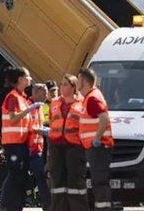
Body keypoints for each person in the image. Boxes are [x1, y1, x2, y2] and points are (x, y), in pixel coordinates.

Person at [0, 66, 40, 211]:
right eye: (27, 76)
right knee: (15, 175)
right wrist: (30, 109)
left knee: (21, 175)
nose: (30, 79)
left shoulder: (21, 98)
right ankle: (5, 207)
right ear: (21, 79)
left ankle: (16, 206)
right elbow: (13, 117)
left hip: (21, 143)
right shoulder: (13, 97)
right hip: (13, 143)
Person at [49, 74, 88, 211]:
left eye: (65, 84)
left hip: (75, 146)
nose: (62, 87)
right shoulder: (54, 102)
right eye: (61, 84)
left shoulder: (82, 103)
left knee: (75, 180)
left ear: (73, 87)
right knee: (57, 179)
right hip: (56, 145)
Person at [77, 68, 113, 211]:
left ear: (84, 81)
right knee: (99, 180)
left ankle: (103, 209)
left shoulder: (92, 98)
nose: (77, 82)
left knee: (99, 181)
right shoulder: (91, 96)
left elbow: (104, 118)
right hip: (97, 146)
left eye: (78, 79)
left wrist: (96, 139)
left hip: (98, 146)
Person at [27, 83, 50, 210]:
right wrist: (45, 131)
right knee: (16, 177)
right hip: (26, 149)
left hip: (37, 149)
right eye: (44, 93)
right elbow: (28, 127)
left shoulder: (40, 108)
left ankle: (47, 204)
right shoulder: (28, 106)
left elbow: (39, 126)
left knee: (41, 176)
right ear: (36, 93)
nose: (46, 95)